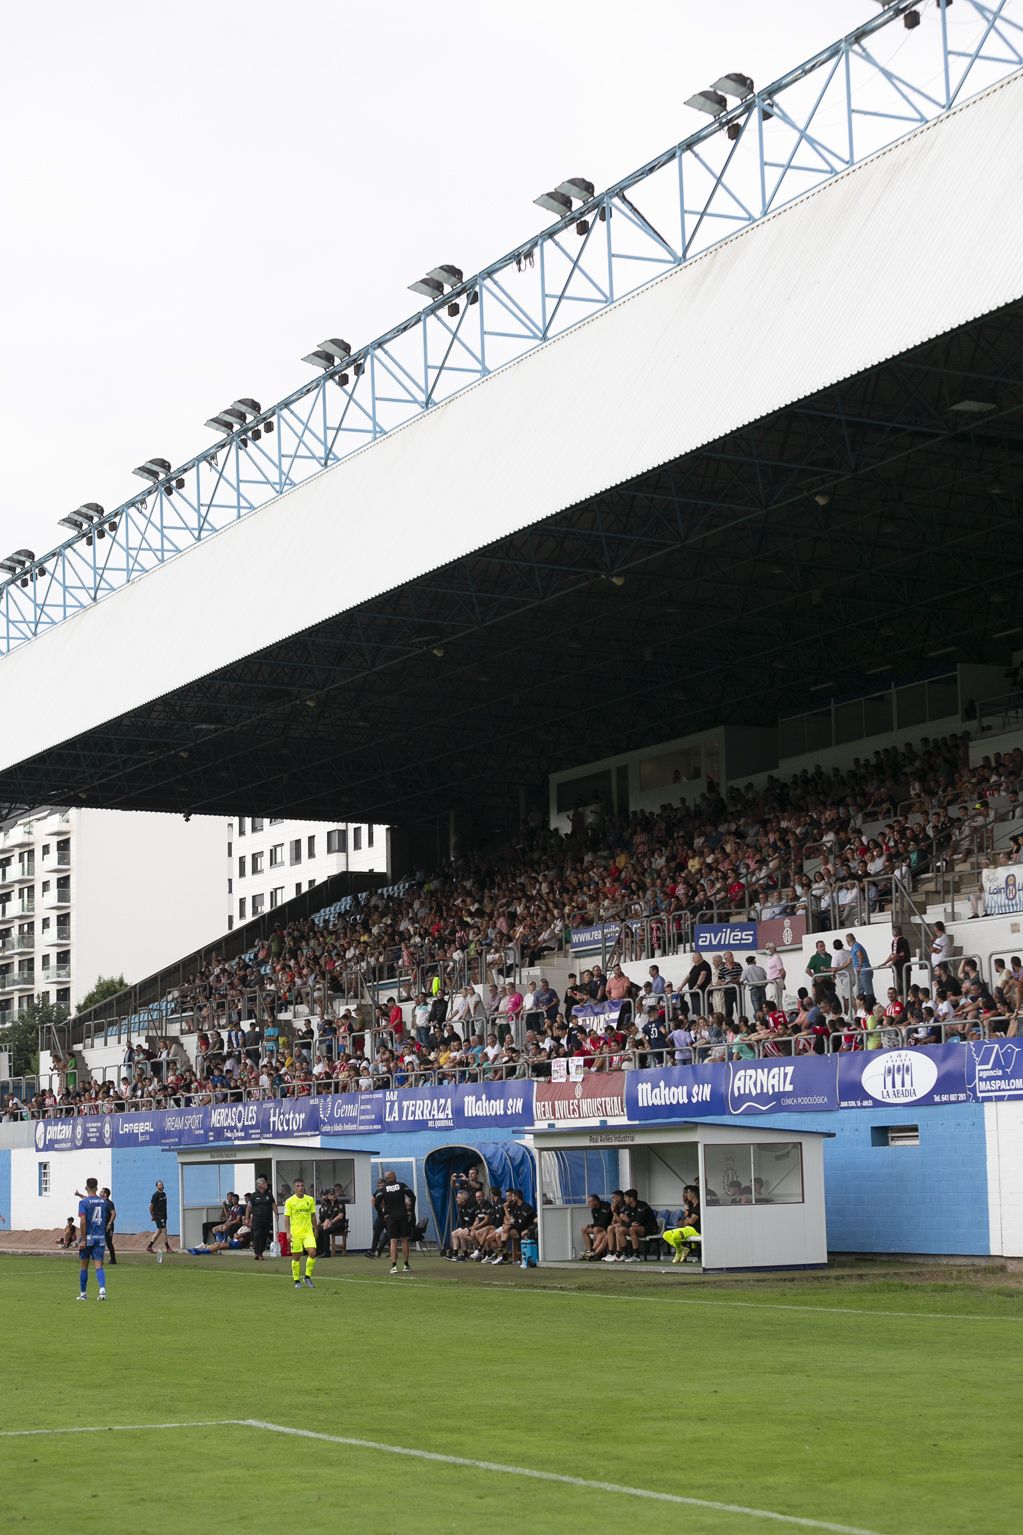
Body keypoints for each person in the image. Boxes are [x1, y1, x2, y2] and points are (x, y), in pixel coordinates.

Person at [76, 1177, 108, 1302]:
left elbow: (83, 1221)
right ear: (97, 1187)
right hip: (100, 1237)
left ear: (86, 1187)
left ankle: (83, 1294)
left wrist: (83, 1240)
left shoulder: (83, 1203)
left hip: (88, 1238)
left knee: (84, 1265)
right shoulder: (103, 1202)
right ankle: (102, 1290)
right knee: (99, 1265)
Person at [379, 1169, 415, 1275]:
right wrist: (411, 1210)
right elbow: (412, 1196)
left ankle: (394, 1266)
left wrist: (383, 1214)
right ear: (394, 1177)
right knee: (404, 1240)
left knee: (393, 1241)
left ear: (386, 1179)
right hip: (403, 1216)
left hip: (391, 1217)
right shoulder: (401, 1185)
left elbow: (376, 1202)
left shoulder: (384, 1189)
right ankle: (406, 1264)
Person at [284, 1178, 318, 1289]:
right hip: (296, 1234)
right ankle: (296, 1280)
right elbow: (286, 1218)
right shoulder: (289, 1201)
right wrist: (288, 1233)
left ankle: (307, 1277)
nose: (300, 1188)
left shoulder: (310, 1200)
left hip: (308, 1232)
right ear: (294, 1188)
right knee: (296, 1257)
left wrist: (315, 1229)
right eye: (298, 1186)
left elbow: (313, 1215)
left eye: (302, 1186)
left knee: (312, 1253)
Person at [246, 1176, 278, 1261]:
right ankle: (257, 1253)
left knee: (264, 1236)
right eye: (264, 1183)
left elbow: (273, 1204)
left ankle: (260, 1253)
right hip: (257, 1220)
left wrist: (276, 1213)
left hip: (267, 1219)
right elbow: (249, 1207)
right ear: (259, 1185)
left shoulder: (269, 1194)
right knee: (257, 1235)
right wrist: (247, 1218)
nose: (266, 1184)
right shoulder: (254, 1195)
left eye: (265, 1182)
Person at [146, 1180, 174, 1259]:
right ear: (157, 1186)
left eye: (162, 1185)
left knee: (159, 1231)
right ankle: (168, 1248)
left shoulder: (164, 1194)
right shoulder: (155, 1195)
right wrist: (153, 1216)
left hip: (164, 1216)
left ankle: (149, 1246)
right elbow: (151, 1207)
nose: (161, 1186)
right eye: (160, 1185)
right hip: (158, 1216)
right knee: (164, 1230)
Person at [101, 1187, 117, 1265]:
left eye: (102, 1191)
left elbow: (113, 1214)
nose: (100, 1192)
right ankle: (100, 1259)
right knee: (101, 1242)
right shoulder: (101, 1202)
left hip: (108, 1227)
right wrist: (79, 1195)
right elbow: (88, 1198)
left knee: (109, 1242)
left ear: (105, 1194)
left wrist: (109, 1224)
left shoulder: (109, 1203)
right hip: (101, 1226)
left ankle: (113, 1259)